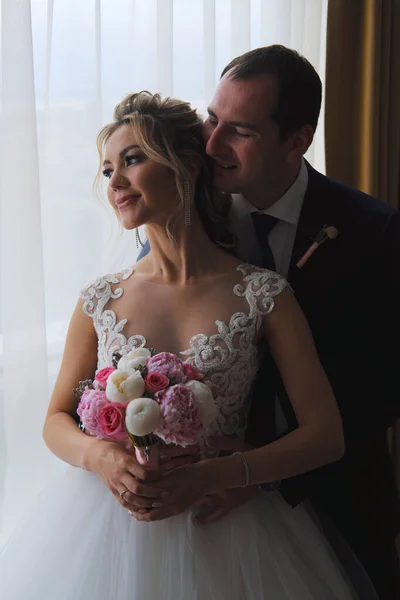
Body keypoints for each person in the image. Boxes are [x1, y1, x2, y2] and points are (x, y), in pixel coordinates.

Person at [0, 91, 361, 599]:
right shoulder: (99, 300)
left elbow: (326, 435)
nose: (116, 182)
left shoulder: (263, 294)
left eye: (133, 159)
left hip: (228, 535)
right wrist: (101, 458)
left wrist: (220, 474)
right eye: (107, 170)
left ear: (188, 166)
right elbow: (55, 421)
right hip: (107, 527)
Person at [198, 45, 400, 600]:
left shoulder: (372, 231)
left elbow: (384, 386)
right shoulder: (185, 217)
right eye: (211, 119)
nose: (212, 145)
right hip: (206, 512)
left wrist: (265, 469)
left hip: (334, 497)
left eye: (240, 130)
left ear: (297, 142)